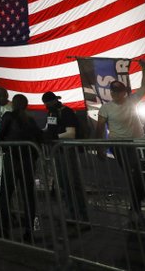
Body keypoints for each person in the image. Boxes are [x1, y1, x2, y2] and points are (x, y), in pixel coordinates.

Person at [94, 61, 145, 225]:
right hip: (120, 146)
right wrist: (100, 148)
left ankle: (136, 206)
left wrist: (144, 68)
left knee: (144, 178)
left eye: (118, 91)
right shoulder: (106, 108)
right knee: (134, 176)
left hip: (138, 144)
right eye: (112, 90)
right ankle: (135, 209)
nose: (114, 93)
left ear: (124, 92)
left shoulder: (132, 100)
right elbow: (99, 129)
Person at [0, 94, 43, 242]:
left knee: (5, 194)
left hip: (12, 159)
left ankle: (4, 228)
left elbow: (0, 135)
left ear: (14, 104)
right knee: (28, 196)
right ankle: (29, 230)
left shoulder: (9, 116)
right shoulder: (30, 120)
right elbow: (39, 137)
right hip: (28, 160)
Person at [42, 91, 89, 229]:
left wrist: (53, 137)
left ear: (54, 101)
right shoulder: (51, 113)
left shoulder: (66, 112)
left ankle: (83, 217)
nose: (47, 105)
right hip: (58, 151)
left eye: (49, 102)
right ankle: (73, 215)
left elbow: (71, 133)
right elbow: (48, 128)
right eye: (46, 103)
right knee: (63, 183)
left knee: (73, 183)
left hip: (67, 151)